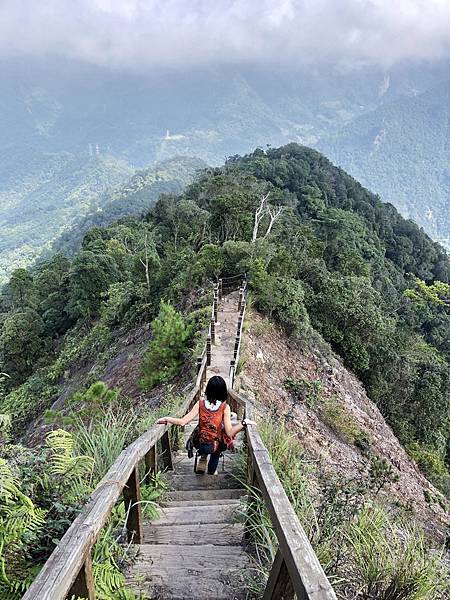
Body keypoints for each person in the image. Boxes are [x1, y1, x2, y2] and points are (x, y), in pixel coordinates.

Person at [157, 375, 255, 474]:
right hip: (215, 445)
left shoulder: (200, 404)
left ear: (208, 389)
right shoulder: (225, 407)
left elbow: (182, 422)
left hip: (201, 443)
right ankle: (211, 471)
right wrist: (244, 423)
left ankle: (203, 456)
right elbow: (229, 432)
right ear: (223, 391)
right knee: (219, 444)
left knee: (202, 433)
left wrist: (167, 418)